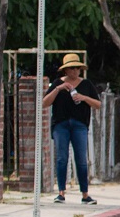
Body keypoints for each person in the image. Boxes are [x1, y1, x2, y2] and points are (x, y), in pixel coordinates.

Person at [43, 54, 102, 205]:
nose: (75, 71)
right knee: (62, 157)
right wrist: (59, 88)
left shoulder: (86, 85)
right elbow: (44, 103)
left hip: (79, 125)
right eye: (72, 68)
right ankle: (61, 193)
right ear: (66, 70)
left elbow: (98, 104)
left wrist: (83, 98)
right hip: (61, 125)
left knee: (81, 159)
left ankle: (85, 194)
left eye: (77, 68)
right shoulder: (58, 83)